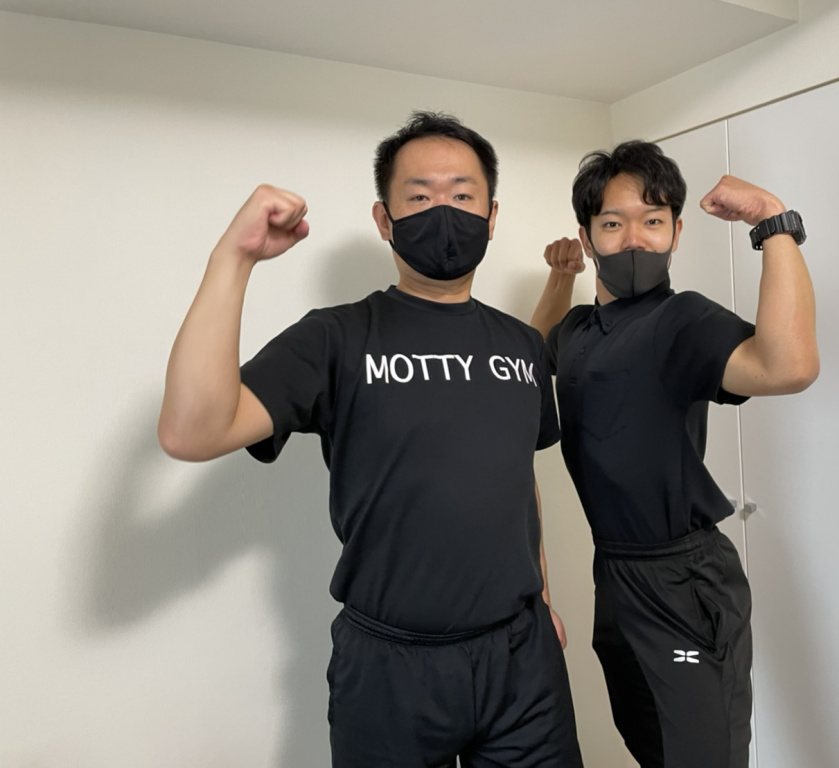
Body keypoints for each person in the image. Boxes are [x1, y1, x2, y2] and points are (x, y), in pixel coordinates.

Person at [158, 111, 583, 768]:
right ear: (385, 220)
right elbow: (193, 430)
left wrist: (544, 599)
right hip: (391, 668)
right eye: (420, 197)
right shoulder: (336, 337)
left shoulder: (523, 345)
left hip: (522, 660)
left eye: (462, 195)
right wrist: (233, 258)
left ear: (491, 216)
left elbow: (516, 481)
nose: (444, 212)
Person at [530, 140, 818, 768]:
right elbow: (532, 352)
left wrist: (773, 222)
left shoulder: (682, 320)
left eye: (653, 221)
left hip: (683, 578)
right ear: (588, 237)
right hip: (615, 573)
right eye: (613, 224)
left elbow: (789, 365)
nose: (635, 239)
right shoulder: (577, 332)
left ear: (676, 233)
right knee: (649, 744)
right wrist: (561, 277)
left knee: (703, 756)